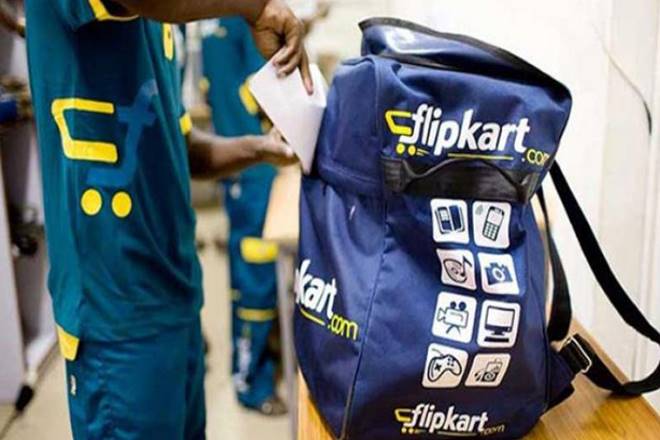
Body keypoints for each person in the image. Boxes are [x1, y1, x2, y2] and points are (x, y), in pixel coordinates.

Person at [23, 0, 311, 438]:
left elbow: (181, 147)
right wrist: (256, 7)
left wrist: (261, 148)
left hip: (175, 295)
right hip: (115, 311)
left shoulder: (162, 29)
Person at [199, 17, 283, 416]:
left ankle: (250, 364)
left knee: (246, 274)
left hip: (236, 160)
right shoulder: (246, 15)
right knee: (256, 278)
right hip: (255, 165)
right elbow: (264, 91)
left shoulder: (216, 15)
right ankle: (252, 380)